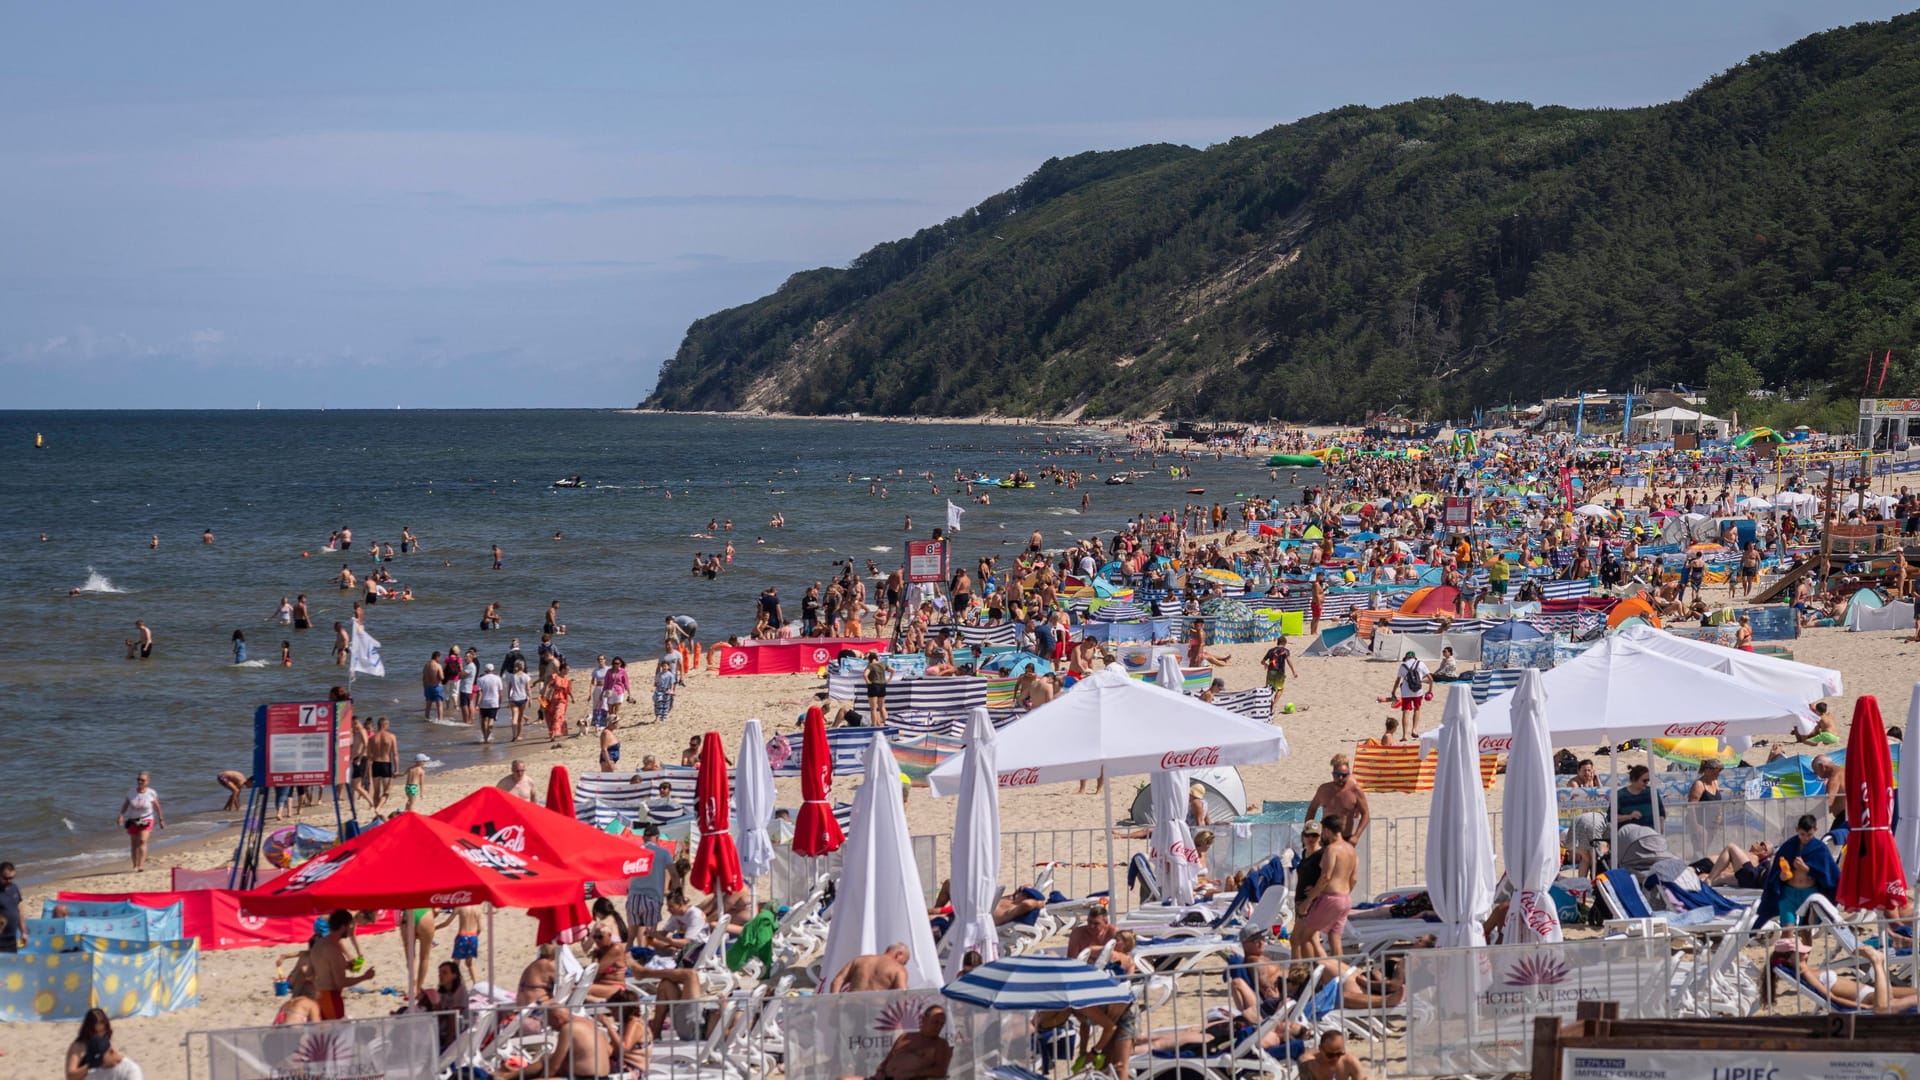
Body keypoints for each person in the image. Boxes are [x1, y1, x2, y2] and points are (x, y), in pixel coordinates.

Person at [1760, 814, 1840, 927]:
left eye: (1809, 835)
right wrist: (1782, 876)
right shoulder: (1788, 846)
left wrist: (1806, 869)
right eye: (1802, 834)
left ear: (1815, 830)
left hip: (1810, 894)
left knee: (1806, 932)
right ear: (1797, 830)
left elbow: (1828, 875)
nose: (1806, 838)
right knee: (1787, 929)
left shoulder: (1820, 848)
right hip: (1789, 894)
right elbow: (1775, 874)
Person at [495, 1005, 614, 1080]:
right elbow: (609, 1051)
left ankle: (505, 1077)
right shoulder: (589, 1023)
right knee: (546, 1061)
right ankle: (506, 1076)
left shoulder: (568, 1028)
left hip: (584, 1078)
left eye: (550, 1023)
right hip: (604, 1077)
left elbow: (554, 1066)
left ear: (558, 1019)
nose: (551, 1027)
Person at [1297, 813, 1356, 959]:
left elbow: (1325, 877)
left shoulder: (1332, 849)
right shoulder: (1351, 850)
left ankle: (1314, 973)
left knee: (1305, 937)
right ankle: (1340, 975)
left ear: (1328, 831)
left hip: (1331, 898)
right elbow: (1354, 878)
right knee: (1334, 938)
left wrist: (1308, 901)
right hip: (1345, 898)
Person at [311, 909, 376, 1020]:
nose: (351, 929)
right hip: (330, 998)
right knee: (337, 1034)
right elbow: (340, 982)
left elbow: (324, 967)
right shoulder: (333, 950)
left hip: (317, 996)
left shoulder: (318, 944)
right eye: (349, 926)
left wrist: (345, 965)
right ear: (342, 927)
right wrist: (364, 977)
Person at [870, 1004, 953, 1079]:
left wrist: (913, 1074)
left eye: (941, 1024)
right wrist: (880, 1071)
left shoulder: (940, 1044)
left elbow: (940, 1071)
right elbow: (887, 1060)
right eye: (935, 1022)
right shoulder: (904, 1036)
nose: (938, 1027)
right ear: (923, 1019)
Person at [66, 1007, 143, 1080]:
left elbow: (113, 1060)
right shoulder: (78, 1046)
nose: (99, 1035)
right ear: (89, 1030)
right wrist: (91, 1065)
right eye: (96, 1032)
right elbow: (70, 1076)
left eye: (102, 1031)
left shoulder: (104, 1042)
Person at [1305, 754, 1371, 839]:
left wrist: (1356, 837)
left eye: (1344, 775)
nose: (1340, 778)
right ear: (1332, 774)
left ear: (1349, 774)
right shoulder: (1323, 790)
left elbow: (1366, 814)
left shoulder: (1355, 791)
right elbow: (1312, 809)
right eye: (1337, 775)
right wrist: (1308, 832)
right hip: (1325, 839)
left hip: (1345, 838)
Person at [625, 824, 674, 937]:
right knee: (649, 932)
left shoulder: (634, 851)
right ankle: (646, 952)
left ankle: (636, 950)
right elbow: (674, 875)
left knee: (634, 934)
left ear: (643, 838)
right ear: (657, 837)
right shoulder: (664, 853)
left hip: (634, 896)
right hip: (653, 897)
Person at [117, 773, 163, 871]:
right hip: (133, 820)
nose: (140, 782)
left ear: (147, 781)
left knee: (142, 841)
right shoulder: (131, 792)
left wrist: (160, 820)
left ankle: (141, 865)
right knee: (134, 843)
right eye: (138, 779)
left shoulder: (151, 793)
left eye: (142, 780)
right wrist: (121, 815)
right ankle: (135, 865)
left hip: (147, 819)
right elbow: (125, 805)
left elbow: (157, 807)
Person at [830, 944, 911, 992]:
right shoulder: (899, 969)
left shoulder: (859, 960)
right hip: (877, 1011)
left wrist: (835, 1004)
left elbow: (837, 981)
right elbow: (901, 995)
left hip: (849, 1008)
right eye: (904, 962)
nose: (903, 965)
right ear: (899, 954)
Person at [1612, 764, 1664, 833]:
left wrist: (1661, 824)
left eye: (1648, 780)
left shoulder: (1652, 793)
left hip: (1650, 834)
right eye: (1644, 780)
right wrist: (1629, 816)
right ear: (1634, 779)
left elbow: (1661, 812)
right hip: (1628, 836)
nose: (1647, 783)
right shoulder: (1620, 795)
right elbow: (1611, 817)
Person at [1297, 1029, 1369, 1080]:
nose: (1335, 1058)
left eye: (1339, 1054)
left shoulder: (1350, 1062)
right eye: (1330, 1055)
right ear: (1321, 1049)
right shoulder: (1309, 1063)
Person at [1388, 652, 1431, 735]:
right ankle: (1414, 730)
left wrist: (1393, 691)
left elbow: (1398, 681)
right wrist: (1430, 691)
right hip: (1418, 691)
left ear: (1406, 657)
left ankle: (1404, 735)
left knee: (1406, 712)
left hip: (1406, 692)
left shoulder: (1403, 665)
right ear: (1414, 657)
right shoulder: (1421, 663)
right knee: (1417, 709)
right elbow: (1430, 679)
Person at [367, 716, 398, 810]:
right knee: (387, 791)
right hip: (385, 764)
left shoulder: (372, 738)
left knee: (376, 791)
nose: (389, 726)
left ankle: (376, 812)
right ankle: (378, 808)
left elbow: (369, 756)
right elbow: (395, 754)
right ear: (385, 725)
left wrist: (367, 771)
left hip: (375, 764)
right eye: (388, 724)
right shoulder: (391, 736)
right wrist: (396, 769)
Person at [1261, 635, 1299, 710]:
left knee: (1268, 689)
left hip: (1270, 671)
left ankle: (1270, 703)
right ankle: (1274, 704)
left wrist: (1266, 665)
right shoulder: (1285, 650)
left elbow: (1262, 661)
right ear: (1285, 643)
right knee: (1280, 689)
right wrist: (1293, 671)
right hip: (1279, 672)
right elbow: (1288, 661)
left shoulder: (1271, 650)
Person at [542, 660, 573, 744]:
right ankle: (552, 732)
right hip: (552, 699)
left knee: (557, 715)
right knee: (550, 716)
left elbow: (569, 690)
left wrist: (573, 698)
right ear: (562, 669)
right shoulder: (555, 676)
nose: (568, 671)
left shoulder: (568, 679)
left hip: (562, 700)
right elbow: (548, 685)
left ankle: (554, 733)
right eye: (567, 669)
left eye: (569, 669)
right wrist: (544, 696)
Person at [474, 662, 504, 743]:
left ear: (485, 670)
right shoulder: (498, 679)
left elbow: (479, 693)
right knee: (491, 719)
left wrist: (477, 704)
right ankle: (487, 735)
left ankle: (485, 737)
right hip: (494, 702)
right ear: (493, 670)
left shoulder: (480, 679)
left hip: (484, 702)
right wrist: (500, 702)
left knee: (483, 721)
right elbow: (500, 693)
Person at [865, 651, 892, 725]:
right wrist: (889, 679)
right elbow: (893, 670)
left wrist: (867, 681)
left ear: (870, 659)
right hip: (882, 686)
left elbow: (865, 674)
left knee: (873, 708)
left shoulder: (871, 665)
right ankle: (887, 723)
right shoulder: (883, 664)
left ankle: (874, 725)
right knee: (882, 707)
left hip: (873, 686)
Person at [0, 861, 21, 954]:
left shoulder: (14, 888)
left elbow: (19, 910)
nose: (9, 881)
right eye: (6, 878)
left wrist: (24, 932)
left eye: (11, 878)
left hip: (12, 938)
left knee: (13, 964)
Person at [421, 651, 446, 722]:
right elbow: (441, 677)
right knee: (439, 705)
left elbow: (424, 677)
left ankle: (426, 718)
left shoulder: (426, 665)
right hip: (436, 687)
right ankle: (440, 720)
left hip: (427, 687)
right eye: (439, 657)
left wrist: (424, 687)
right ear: (437, 657)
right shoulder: (438, 666)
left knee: (428, 705)